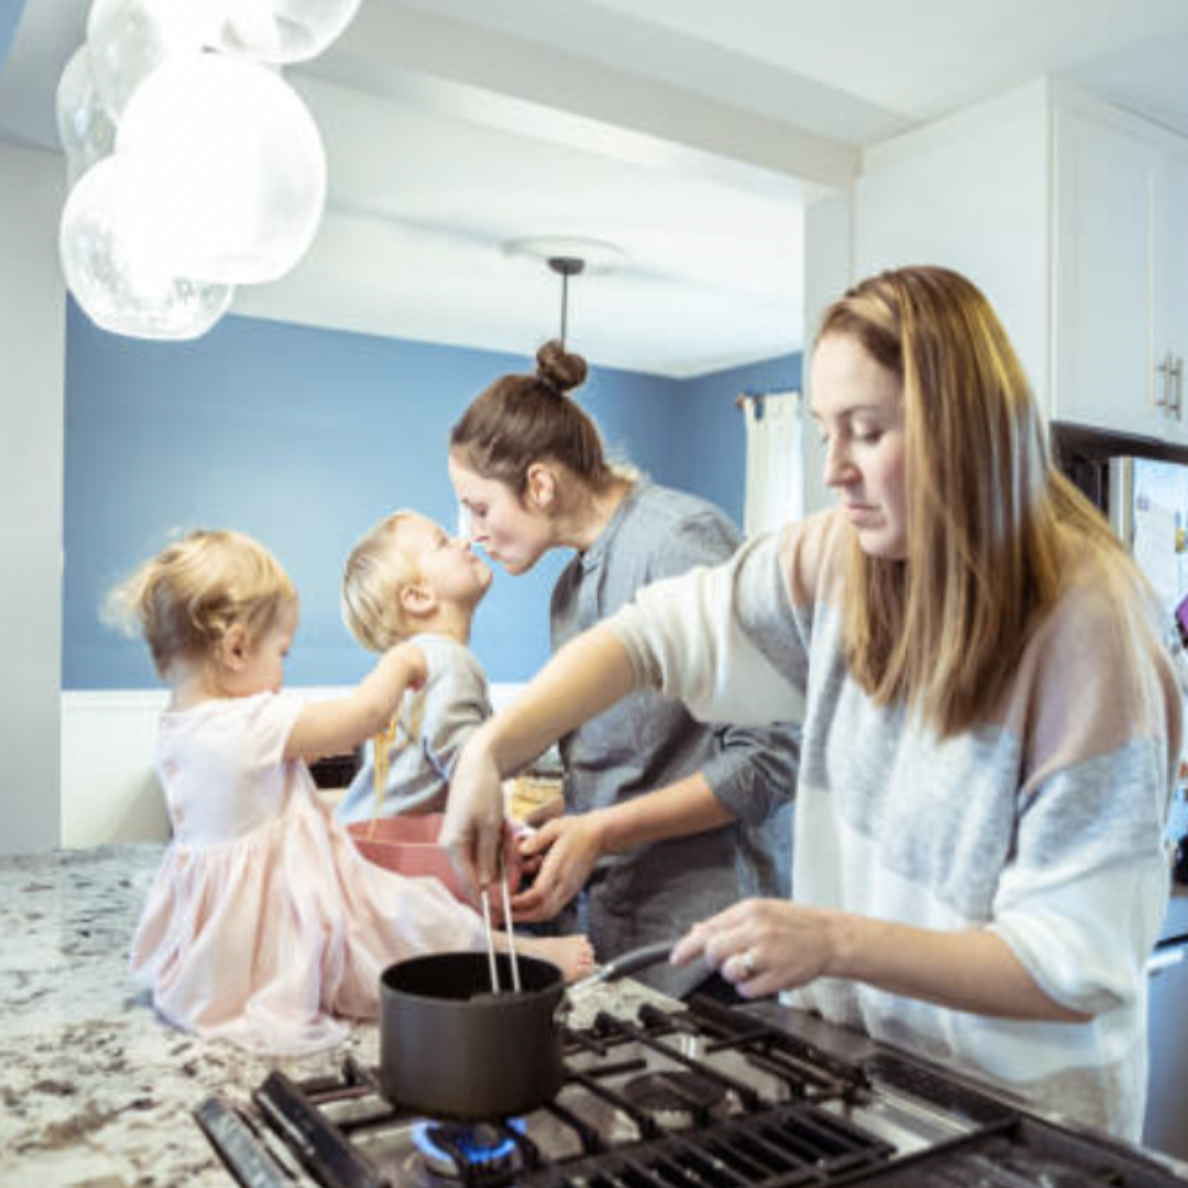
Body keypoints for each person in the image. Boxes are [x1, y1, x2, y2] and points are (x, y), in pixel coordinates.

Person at [442, 266, 1182, 1139]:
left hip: (1022, 1126)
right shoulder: (841, 559)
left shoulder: (1091, 626)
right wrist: (489, 752)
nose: (834, 470)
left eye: (866, 432)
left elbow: (1071, 966)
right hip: (868, 1083)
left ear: (962, 426)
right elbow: (650, 636)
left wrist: (834, 942)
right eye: (825, 432)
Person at [107, 528, 593, 1056]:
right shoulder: (250, 722)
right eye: (282, 653)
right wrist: (403, 663)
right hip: (295, 900)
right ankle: (524, 958)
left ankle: (510, 950)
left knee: (408, 923)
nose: (281, 675)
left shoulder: (181, 729)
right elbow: (363, 716)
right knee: (420, 919)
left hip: (239, 928)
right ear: (237, 649)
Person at [447, 339, 797, 999]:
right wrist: (560, 824)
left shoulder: (678, 540)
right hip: (621, 940)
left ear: (540, 485)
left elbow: (770, 759)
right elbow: (640, 768)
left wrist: (600, 830)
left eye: (480, 507)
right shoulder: (569, 591)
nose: (473, 532)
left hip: (710, 952)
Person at [335, 509, 495, 823]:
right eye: (443, 543)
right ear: (419, 596)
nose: (463, 542)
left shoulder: (421, 662)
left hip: (362, 834)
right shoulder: (446, 660)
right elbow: (471, 766)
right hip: (385, 846)